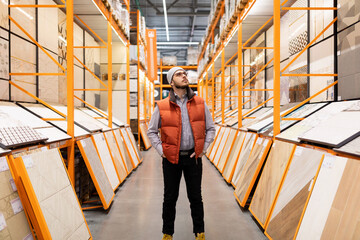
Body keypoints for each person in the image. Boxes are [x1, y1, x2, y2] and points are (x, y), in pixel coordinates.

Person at [147, 66, 216, 240]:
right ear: (171, 82)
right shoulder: (162, 106)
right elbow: (151, 131)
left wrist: (202, 150)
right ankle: (167, 233)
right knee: (170, 197)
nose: (184, 76)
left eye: (184, 73)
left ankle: (199, 232)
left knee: (195, 197)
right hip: (171, 159)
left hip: (193, 158)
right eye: (179, 74)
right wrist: (162, 151)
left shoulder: (200, 103)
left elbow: (211, 128)